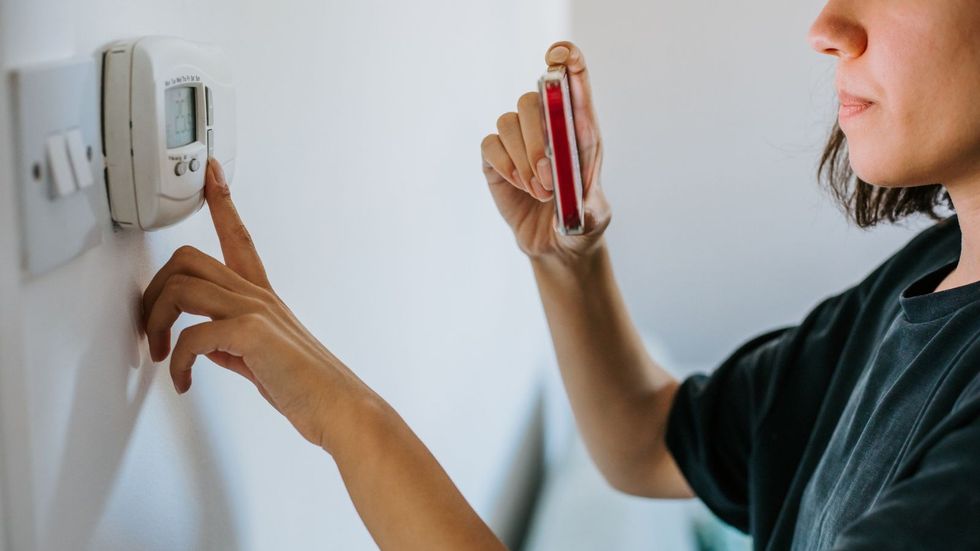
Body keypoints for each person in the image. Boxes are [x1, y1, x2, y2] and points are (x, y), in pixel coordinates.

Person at [142, 0, 980, 548]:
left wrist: (341, 412)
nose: (827, 24)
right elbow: (649, 439)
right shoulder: (929, 277)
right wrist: (566, 257)